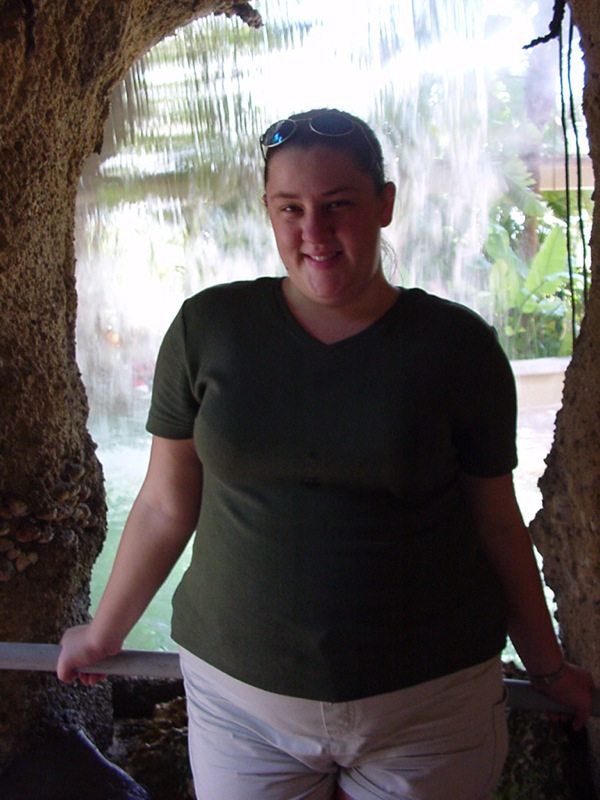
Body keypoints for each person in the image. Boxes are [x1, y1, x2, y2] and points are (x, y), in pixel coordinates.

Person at [58, 108, 594, 800]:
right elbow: (164, 504)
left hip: (432, 709)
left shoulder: (459, 346)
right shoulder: (207, 328)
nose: (314, 232)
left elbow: (495, 523)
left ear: (384, 205)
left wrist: (548, 670)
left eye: (338, 206)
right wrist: (105, 631)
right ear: (269, 211)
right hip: (239, 711)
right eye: (292, 209)